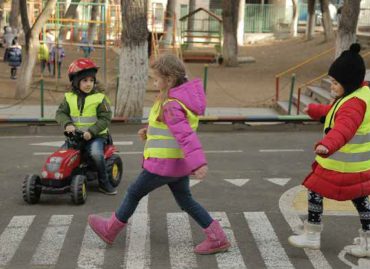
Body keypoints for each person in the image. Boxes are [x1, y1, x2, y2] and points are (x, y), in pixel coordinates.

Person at [88, 54, 231, 255]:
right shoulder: (178, 100)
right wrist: (149, 131)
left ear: (169, 79)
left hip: (163, 165)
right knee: (185, 200)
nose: (154, 83)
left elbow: (185, 135)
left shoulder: (171, 104)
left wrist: (199, 163)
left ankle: (110, 230)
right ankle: (217, 237)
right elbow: (172, 129)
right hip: (177, 165)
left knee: (133, 192)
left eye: (156, 79)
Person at [288, 44, 370, 258]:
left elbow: (344, 128)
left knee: (315, 189)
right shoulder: (358, 95)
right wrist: (316, 110)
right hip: (357, 165)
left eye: (335, 83)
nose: (332, 87)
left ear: (348, 82)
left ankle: (313, 235)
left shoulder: (353, 105)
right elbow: (335, 111)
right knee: (361, 200)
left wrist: (327, 145)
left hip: (341, 164)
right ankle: (369, 242)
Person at [55, 58, 117, 195]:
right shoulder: (69, 97)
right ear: (76, 82)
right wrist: (67, 124)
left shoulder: (100, 98)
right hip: (76, 136)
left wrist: (91, 131)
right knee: (61, 155)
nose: (89, 84)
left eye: (91, 80)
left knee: (96, 154)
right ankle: (60, 179)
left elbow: (105, 118)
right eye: (84, 81)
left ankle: (104, 182)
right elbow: (60, 113)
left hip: (97, 136)